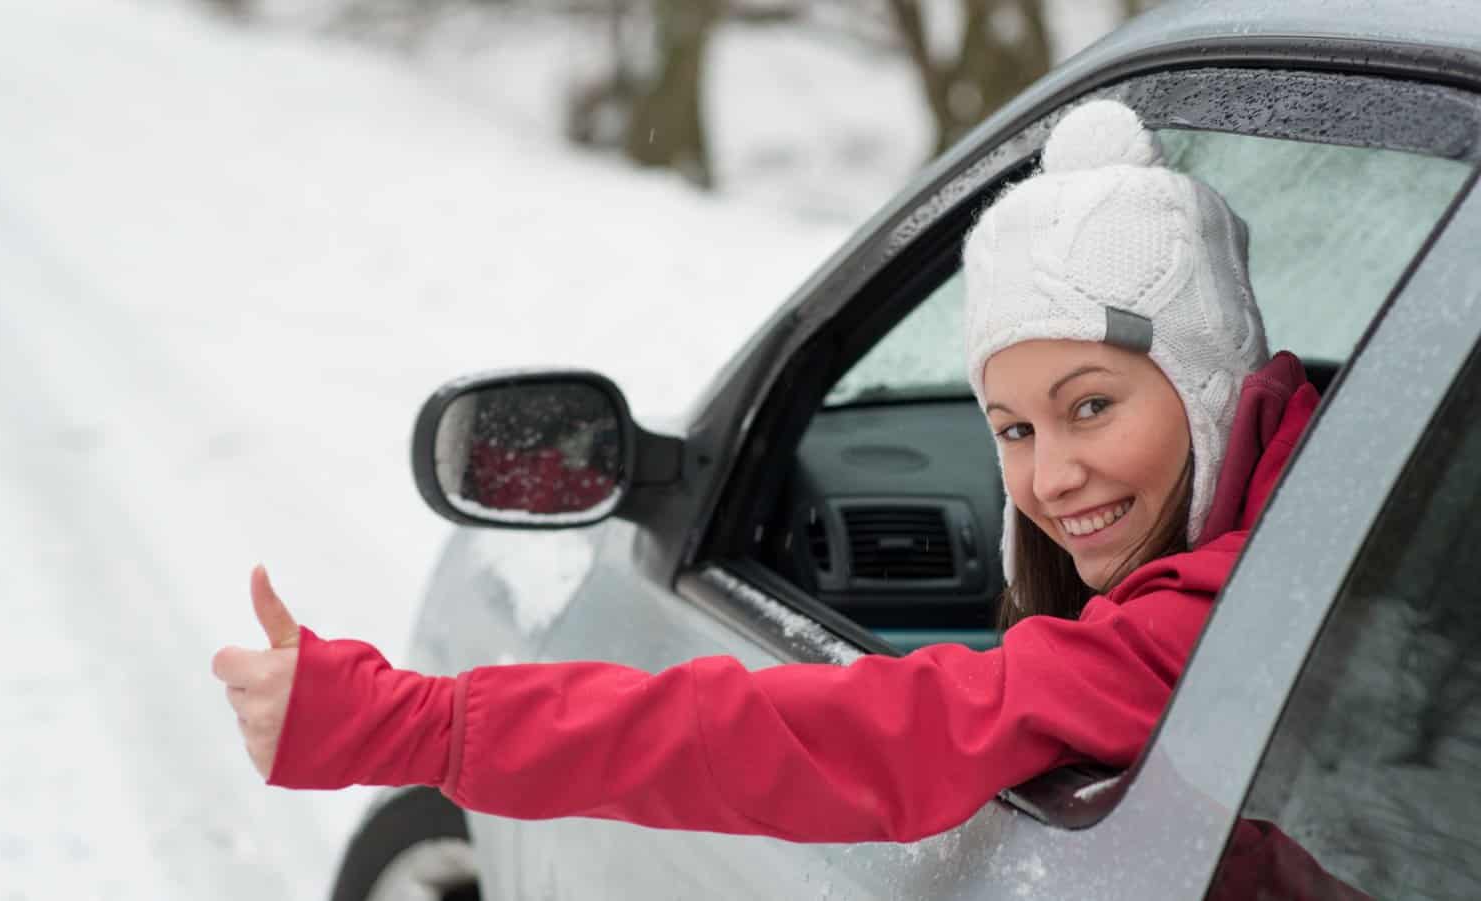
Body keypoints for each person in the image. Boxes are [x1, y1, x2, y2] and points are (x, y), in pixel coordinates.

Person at [211, 101, 1320, 845]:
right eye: (1014, 429)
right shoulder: (1349, 503)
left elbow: (818, 736)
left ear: (1208, 380)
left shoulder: (1202, 628)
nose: (1055, 475)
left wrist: (416, 726)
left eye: (1091, 405)